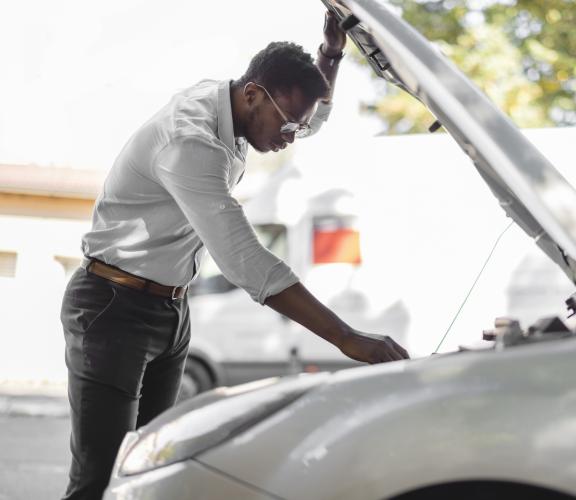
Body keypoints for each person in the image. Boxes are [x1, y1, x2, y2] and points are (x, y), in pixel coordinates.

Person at [60, 11, 409, 500]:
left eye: (296, 127)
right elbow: (246, 260)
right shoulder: (192, 141)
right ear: (253, 95)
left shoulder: (242, 106)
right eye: (287, 125)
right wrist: (347, 338)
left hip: (170, 308)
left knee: (146, 472)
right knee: (98, 479)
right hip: (112, 306)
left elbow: (307, 115)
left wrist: (330, 54)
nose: (293, 136)